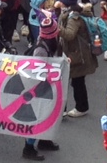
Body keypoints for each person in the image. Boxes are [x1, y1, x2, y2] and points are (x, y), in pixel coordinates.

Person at [22, 13, 61, 160]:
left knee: (47, 114)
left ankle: (44, 139)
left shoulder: (46, 43)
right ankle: (28, 148)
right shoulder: (41, 50)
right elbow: (36, 71)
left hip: (46, 85)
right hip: (38, 88)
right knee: (38, 116)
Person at [56, 0, 96, 117]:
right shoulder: (73, 12)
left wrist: (56, 27)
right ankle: (80, 107)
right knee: (76, 82)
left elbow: (69, 35)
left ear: (64, 2)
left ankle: (72, 108)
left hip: (76, 55)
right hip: (77, 53)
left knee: (69, 82)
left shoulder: (74, 17)